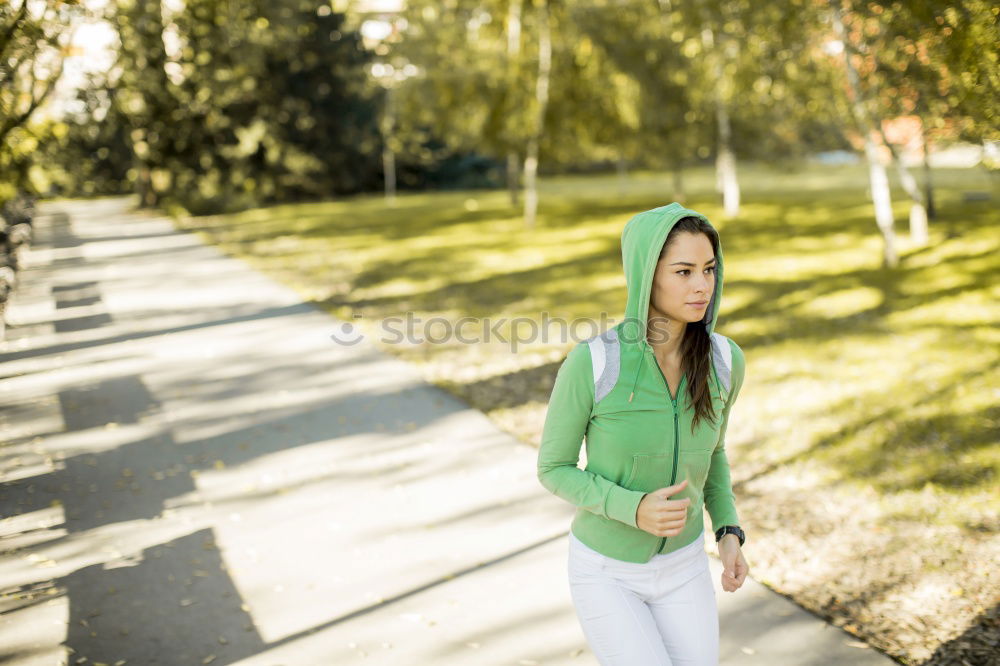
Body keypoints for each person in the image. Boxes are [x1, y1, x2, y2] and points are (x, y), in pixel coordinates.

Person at [536, 203, 749, 665]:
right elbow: (553, 469)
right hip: (608, 572)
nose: (702, 285)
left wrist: (728, 530)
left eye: (709, 269)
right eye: (684, 271)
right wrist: (633, 508)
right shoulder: (594, 363)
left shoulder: (725, 361)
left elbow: (713, 454)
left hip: (685, 565)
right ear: (646, 274)